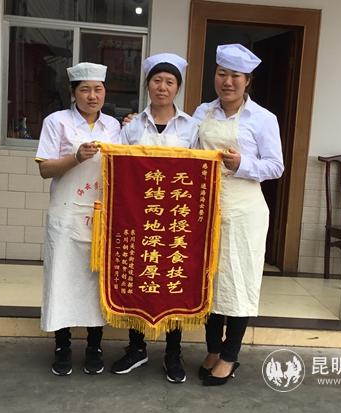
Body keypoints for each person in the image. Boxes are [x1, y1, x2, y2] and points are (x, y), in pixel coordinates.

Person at [192, 44, 284, 386]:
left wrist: (242, 164)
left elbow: (275, 166)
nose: (227, 82)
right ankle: (213, 349)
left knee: (238, 282)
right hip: (207, 207)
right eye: (221, 74)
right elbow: (183, 150)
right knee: (210, 282)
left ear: (247, 81)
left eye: (235, 76)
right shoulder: (202, 112)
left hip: (245, 210)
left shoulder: (262, 118)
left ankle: (230, 356)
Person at [111, 53, 199, 384]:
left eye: (170, 82)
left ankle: (173, 353)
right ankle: (137, 348)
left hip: (177, 219)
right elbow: (118, 168)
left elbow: (201, 173)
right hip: (139, 216)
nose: (163, 87)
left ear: (178, 88)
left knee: (174, 280)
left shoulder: (192, 127)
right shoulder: (132, 126)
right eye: (157, 80)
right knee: (140, 278)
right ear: (148, 85)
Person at [35, 62, 121, 376]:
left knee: (95, 281)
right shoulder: (56, 121)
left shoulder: (114, 126)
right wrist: (76, 157)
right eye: (85, 90)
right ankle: (62, 345)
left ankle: (94, 346)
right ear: (73, 93)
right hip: (67, 213)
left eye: (98, 89)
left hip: (100, 214)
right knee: (62, 278)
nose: (92, 96)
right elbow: (44, 169)